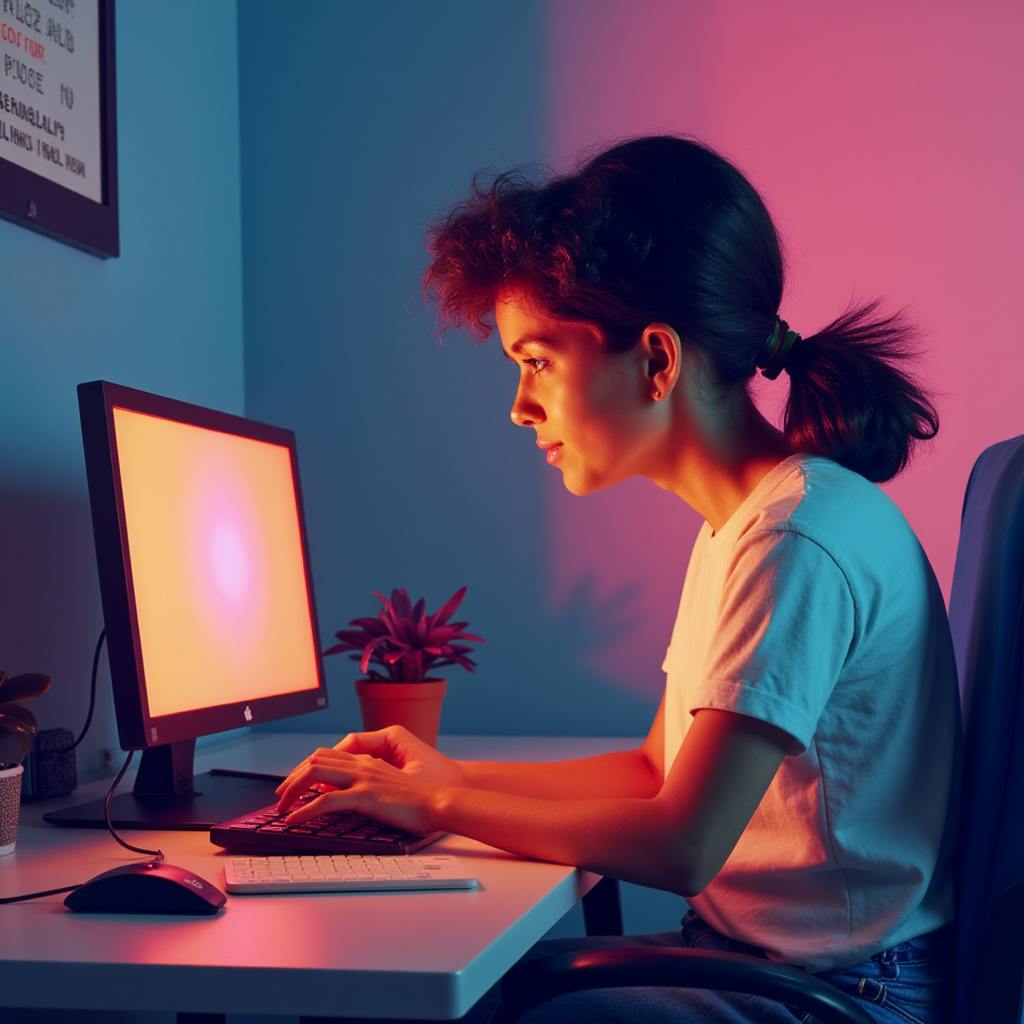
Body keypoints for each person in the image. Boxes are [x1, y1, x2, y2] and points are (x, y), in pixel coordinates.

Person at [274, 134, 962, 1023]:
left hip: (840, 998)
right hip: (776, 967)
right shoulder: (750, 522)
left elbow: (683, 843)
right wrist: (444, 774)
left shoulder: (793, 536)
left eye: (537, 361)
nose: (519, 406)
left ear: (657, 360)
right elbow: (653, 772)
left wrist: (437, 802)